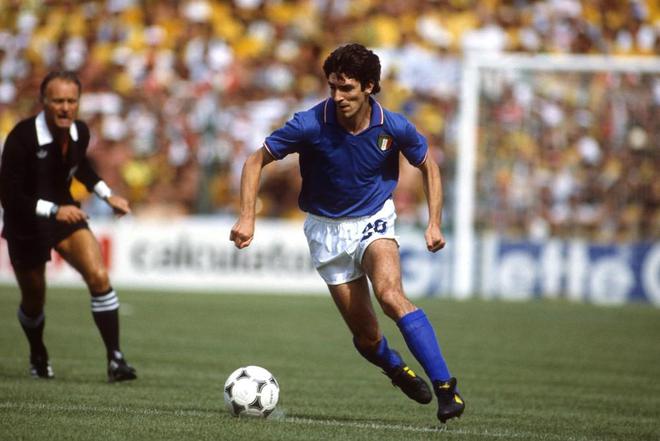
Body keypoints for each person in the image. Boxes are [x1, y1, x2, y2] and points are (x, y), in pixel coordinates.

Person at [230, 44, 464, 423]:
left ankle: (445, 388)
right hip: (325, 231)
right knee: (368, 338)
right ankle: (396, 369)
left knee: (390, 295)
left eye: (347, 88)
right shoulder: (309, 123)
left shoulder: (393, 126)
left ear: (369, 87)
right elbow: (255, 160)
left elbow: (429, 166)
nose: (338, 96)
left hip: (374, 218)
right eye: (333, 87)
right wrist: (247, 217)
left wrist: (434, 221)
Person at [0, 71, 137, 383]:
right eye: (58, 101)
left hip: (65, 215)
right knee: (34, 300)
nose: (65, 108)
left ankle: (116, 359)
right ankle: (38, 353)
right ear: (43, 102)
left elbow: (81, 167)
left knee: (99, 276)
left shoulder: (79, 132)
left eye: (71, 101)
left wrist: (107, 195)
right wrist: (54, 210)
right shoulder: (21, 138)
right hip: (26, 225)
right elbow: (9, 196)